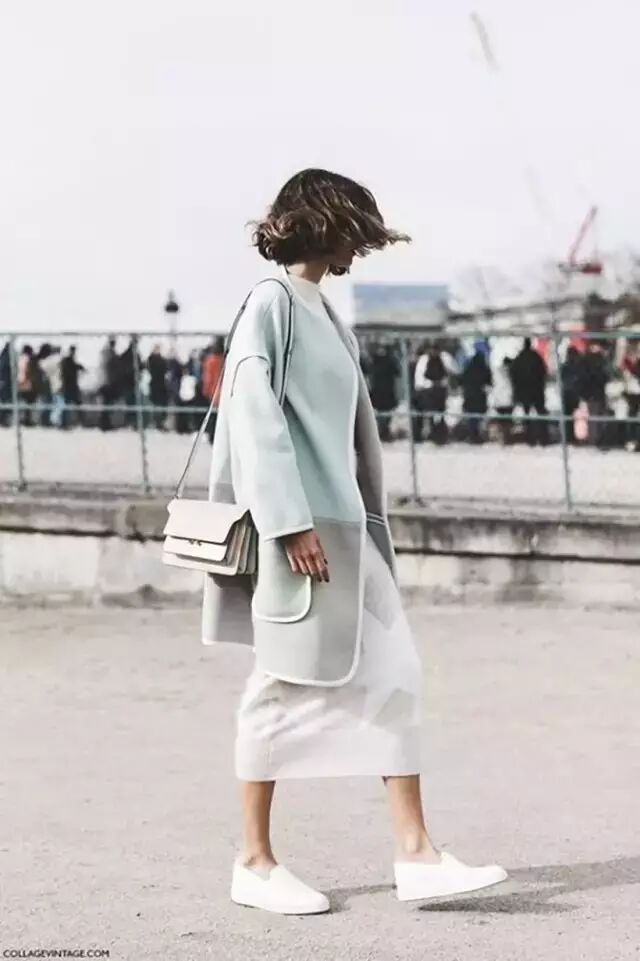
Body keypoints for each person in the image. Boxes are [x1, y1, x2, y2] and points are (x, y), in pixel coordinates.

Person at [201, 168, 508, 915]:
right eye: (355, 232)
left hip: (344, 531)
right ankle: (253, 860)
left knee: (396, 671)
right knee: (279, 684)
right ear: (324, 223)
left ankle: (416, 853)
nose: (359, 249)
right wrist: (288, 521)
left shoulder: (321, 310)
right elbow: (252, 414)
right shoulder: (273, 302)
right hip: (303, 532)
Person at [510, 337, 548, 446]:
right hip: (536, 390)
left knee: (527, 414)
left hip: (523, 390)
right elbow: (543, 371)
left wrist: (517, 388)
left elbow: (513, 373)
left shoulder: (519, 358)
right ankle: (543, 437)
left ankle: (529, 437)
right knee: (541, 413)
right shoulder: (535, 357)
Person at [413, 343, 449, 444]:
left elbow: (445, 375)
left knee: (436, 415)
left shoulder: (441, 359)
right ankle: (419, 435)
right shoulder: (424, 360)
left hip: (436, 392)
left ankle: (436, 435)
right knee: (423, 415)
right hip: (425, 391)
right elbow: (420, 378)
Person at [579, 342, 611, 449]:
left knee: (594, 415)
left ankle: (595, 439)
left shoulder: (586, 360)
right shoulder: (599, 360)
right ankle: (597, 439)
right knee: (598, 415)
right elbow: (604, 376)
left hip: (592, 393)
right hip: (597, 392)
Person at [461, 342, 492, 444]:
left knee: (471, 417)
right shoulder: (483, 367)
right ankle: (476, 435)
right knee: (478, 417)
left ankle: (472, 435)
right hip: (479, 396)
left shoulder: (469, 366)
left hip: (469, 395)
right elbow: (488, 380)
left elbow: (462, 379)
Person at [368, 341, 399, 442]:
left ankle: (384, 431)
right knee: (382, 413)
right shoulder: (376, 360)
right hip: (380, 391)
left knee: (385, 413)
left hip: (386, 390)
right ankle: (382, 431)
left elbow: (397, 372)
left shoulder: (386, 360)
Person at [201, 336, 225, 443]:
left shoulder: (210, 360)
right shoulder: (224, 360)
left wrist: (206, 390)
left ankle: (212, 436)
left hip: (213, 391)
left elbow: (208, 377)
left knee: (212, 415)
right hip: (223, 390)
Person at [560, 346, 583, 445]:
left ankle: (568, 437)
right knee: (572, 416)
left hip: (567, 393)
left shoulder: (565, 366)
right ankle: (571, 437)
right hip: (573, 393)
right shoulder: (577, 366)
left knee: (568, 417)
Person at [60, 345, 85, 428]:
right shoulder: (67, 360)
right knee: (75, 404)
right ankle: (67, 423)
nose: (74, 353)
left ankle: (66, 423)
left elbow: (74, 367)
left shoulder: (68, 360)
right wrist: (79, 368)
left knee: (71, 404)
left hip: (70, 386)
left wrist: (79, 367)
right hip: (70, 386)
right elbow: (70, 370)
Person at [492, 356, 514, 444]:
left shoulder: (497, 372)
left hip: (498, 400)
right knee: (508, 420)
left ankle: (503, 437)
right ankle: (507, 437)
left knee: (501, 420)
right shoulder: (511, 372)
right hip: (508, 400)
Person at [98, 337, 118, 431]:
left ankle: (105, 423)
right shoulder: (110, 354)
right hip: (108, 383)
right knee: (107, 405)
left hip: (105, 382)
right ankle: (105, 424)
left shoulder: (105, 353)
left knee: (106, 405)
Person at [146, 344, 168, 430]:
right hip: (157, 385)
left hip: (158, 385)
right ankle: (157, 422)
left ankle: (158, 422)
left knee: (158, 405)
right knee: (156, 404)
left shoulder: (153, 360)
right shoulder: (154, 360)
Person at [0, 342, 12, 427]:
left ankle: (3, 420)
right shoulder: (7, 358)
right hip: (5, 384)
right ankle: (3, 420)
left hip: (3, 382)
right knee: (5, 401)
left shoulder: (2, 357)